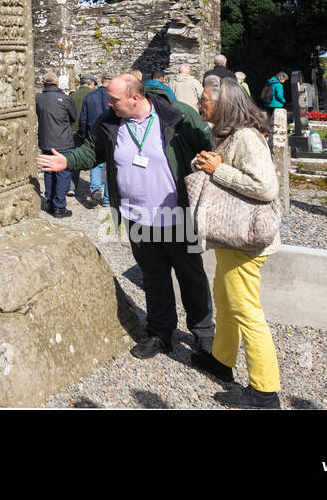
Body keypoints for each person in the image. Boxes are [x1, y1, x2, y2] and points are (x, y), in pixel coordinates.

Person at [38, 74, 216, 361]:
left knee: (191, 276)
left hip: (176, 214)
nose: (108, 103)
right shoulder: (110, 121)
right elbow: (91, 151)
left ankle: (204, 335)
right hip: (136, 216)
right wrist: (66, 161)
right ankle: (160, 333)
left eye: (114, 99)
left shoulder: (178, 116)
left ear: (135, 98)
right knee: (153, 276)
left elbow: (209, 147)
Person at [191, 75, 282, 409]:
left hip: (246, 242)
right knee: (226, 300)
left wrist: (218, 171)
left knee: (246, 311)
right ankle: (221, 360)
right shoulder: (229, 135)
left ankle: (265, 392)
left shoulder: (244, 137)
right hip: (235, 240)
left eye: (204, 99)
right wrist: (209, 163)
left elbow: (266, 188)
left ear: (223, 104)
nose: (199, 103)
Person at [36, 73, 80, 217]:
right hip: (63, 141)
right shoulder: (65, 99)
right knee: (63, 173)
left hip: (45, 141)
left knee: (48, 171)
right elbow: (74, 117)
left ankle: (49, 201)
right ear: (57, 84)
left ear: (43, 84)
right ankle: (59, 206)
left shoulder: (37, 99)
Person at [78, 75, 112, 205]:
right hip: (111, 134)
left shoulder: (90, 96)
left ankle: (95, 189)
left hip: (95, 134)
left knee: (96, 164)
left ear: (101, 82)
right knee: (110, 166)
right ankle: (108, 199)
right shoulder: (114, 96)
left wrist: (84, 134)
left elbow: (83, 118)